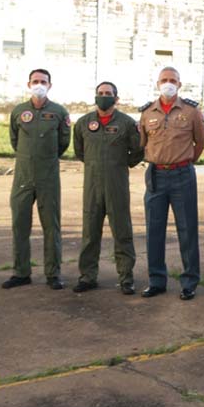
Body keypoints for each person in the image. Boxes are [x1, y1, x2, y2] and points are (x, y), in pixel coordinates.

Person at [139, 66, 204, 301]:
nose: (168, 83)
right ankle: (156, 280)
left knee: (187, 229)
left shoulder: (191, 111)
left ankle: (189, 281)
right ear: (158, 84)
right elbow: (142, 142)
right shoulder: (147, 112)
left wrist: (185, 162)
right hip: (156, 175)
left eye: (172, 80)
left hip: (182, 174)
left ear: (179, 84)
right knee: (154, 230)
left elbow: (200, 142)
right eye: (164, 80)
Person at [72, 82, 144, 295]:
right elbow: (80, 151)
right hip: (92, 185)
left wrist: (120, 165)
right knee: (89, 233)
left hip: (117, 185)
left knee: (122, 232)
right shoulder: (84, 123)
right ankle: (87, 277)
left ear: (116, 98)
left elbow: (138, 150)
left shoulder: (127, 123)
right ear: (95, 97)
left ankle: (126, 278)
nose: (104, 96)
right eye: (100, 93)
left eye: (108, 93)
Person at [3, 69, 71, 290]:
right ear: (29, 84)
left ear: (49, 85)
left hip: (48, 176)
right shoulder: (19, 111)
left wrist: (44, 158)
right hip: (23, 176)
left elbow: (63, 143)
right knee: (20, 225)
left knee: (51, 226)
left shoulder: (59, 112)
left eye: (43, 81)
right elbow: (15, 140)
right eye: (35, 81)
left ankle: (53, 273)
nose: (39, 85)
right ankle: (21, 272)